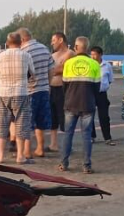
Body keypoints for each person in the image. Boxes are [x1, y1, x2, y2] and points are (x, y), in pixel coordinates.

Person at [59, 36, 101, 174]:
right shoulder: (94, 64)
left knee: (68, 134)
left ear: (76, 48)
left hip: (70, 103)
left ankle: (64, 164)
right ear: (87, 48)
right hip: (88, 104)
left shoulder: (69, 64)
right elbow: (97, 88)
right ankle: (86, 165)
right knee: (87, 136)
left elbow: (64, 86)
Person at [0, 33, 35, 165]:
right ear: (21, 42)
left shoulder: (0, 56)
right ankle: (20, 156)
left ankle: (0, 156)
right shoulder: (26, 55)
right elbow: (32, 73)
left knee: (1, 124)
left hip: (4, 93)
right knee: (21, 124)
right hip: (20, 92)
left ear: (7, 42)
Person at [18, 27, 55, 158]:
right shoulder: (44, 49)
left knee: (27, 122)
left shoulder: (23, 51)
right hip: (44, 89)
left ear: (22, 39)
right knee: (41, 121)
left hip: (30, 91)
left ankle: (26, 151)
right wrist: (48, 84)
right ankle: (40, 148)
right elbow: (52, 70)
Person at [48, 32, 75, 152]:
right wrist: (55, 69)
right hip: (52, 88)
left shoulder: (70, 53)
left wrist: (54, 70)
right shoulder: (53, 55)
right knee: (52, 118)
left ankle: (67, 144)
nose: (51, 43)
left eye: (53, 40)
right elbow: (51, 70)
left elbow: (65, 69)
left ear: (60, 40)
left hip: (63, 89)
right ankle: (53, 144)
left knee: (64, 117)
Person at [90, 46, 115, 145]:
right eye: (91, 54)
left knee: (104, 116)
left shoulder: (107, 65)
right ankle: (91, 136)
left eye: (94, 54)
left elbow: (110, 80)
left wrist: (104, 87)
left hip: (102, 94)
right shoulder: (89, 65)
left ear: (100, 55)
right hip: (91, 93)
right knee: (89, 116)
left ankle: (107, 138)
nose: (92, 56)